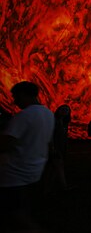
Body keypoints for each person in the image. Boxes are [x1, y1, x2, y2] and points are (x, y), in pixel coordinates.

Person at [0, 81, 55, 232]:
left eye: (15, 96)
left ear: (24, 94)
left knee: (13, 213)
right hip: (35, 171)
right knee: (24, 209)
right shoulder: (48, 114)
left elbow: (6, 143)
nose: (14, 101)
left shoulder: (24, 116)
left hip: (14, 174)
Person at [46, 104, 72, 191]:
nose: (65, 111)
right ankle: (64, 187)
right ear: (58, 110)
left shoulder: (64, 122)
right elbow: (50, 135)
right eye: (63, 109)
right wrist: (52, 147)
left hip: (61, 147)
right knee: (59, 166)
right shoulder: (54, 121)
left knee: (53, 168)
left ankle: (47, 188)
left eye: (67, 110)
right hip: (55, 148)